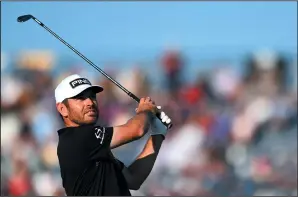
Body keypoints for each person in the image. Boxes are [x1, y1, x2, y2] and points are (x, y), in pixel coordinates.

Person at [54, 74, 171, 196]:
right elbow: (137, 129)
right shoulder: (77, 139)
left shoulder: (95, 146)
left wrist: (158, 134)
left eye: (92, 96)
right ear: (62, 109)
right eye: (80, 98)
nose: (90, 102)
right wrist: (145, 109)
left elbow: (134, 179)